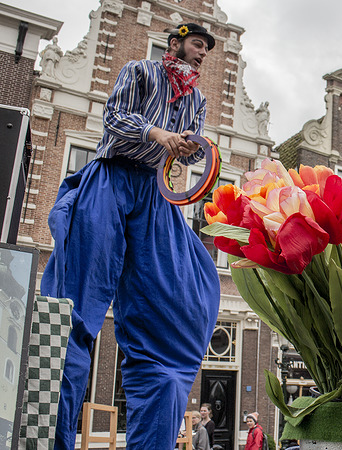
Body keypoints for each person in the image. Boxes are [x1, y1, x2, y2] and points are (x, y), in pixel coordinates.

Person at [40, 23, 221, 449]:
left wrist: (192, 150)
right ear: (175, 43)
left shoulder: (197, 100)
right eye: (198, 44)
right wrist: (160, 135)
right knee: (76, 310)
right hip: (112, 179)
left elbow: (187, 150)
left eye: (208, 49)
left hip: (156, 197)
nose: (203, 53)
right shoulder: (139, 71)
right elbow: (116, 119)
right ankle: (52, 438)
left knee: (172, 320)